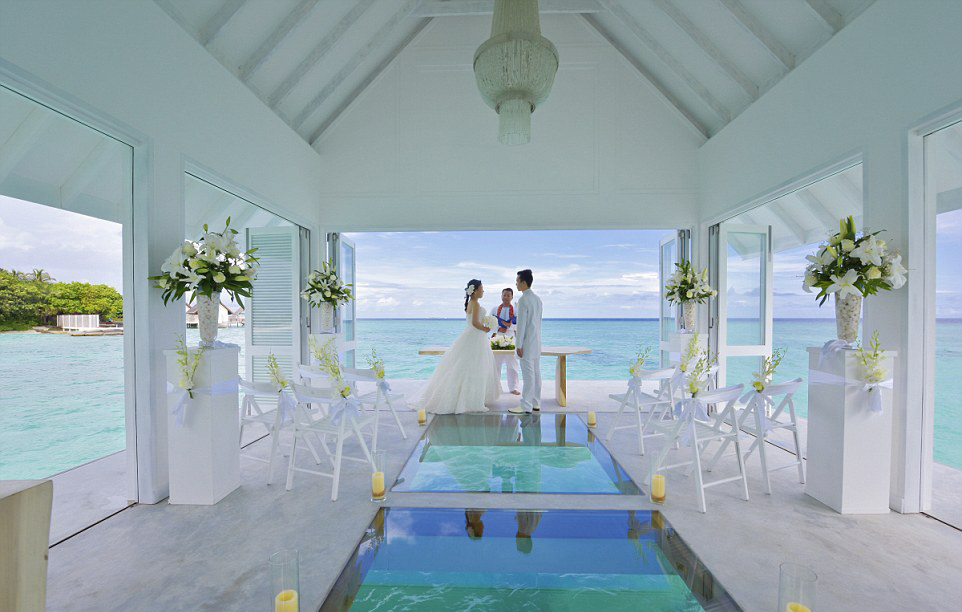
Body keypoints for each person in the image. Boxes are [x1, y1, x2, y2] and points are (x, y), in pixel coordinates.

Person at [420, 279, 501, 414]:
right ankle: (472, 400)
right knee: (475, 367)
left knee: (466, 366)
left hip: (471, 336)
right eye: (481, 289)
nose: (483, 291)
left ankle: (469, 397)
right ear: (474, 291)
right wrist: (486, 329)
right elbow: (475, 323)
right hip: (476, 335)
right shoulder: (475, 303)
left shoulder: (471, 303)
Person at [512, 269, 543, 414]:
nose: (516, 284)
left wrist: (518, 345)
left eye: (517, 281)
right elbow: (537, 323)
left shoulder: (524, 300)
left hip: (527, 343)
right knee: (536, 374)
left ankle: (525, 406)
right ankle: (536, 402)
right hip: (536, 342)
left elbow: (521, 325)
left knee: (528, 375)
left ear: (524, 282)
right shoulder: (537, 299)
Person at [490, 287, 521, 395]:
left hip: (511, 337)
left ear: (512, 297)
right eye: (504, 295)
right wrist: (498, 329)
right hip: (498, 336)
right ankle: (495, 387)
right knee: (496, 363)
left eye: (508, 295)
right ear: (501, 296)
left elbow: (518, 326)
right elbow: (490, 324)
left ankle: (514, 388)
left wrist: (509, 326)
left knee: (512, 364)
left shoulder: (516, 310)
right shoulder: (494, 309)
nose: (506, 297)